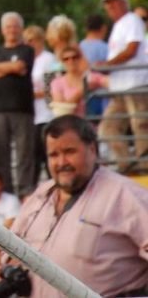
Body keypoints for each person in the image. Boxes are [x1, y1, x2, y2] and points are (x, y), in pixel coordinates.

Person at [8, 115, 148, 297]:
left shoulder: (126, 195)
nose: (61, 162)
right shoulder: (39, 197)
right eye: (54, 155)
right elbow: (10, 252)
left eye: (69, 151)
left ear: (92, 149)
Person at [0, 12, 36, 199]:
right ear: (2, 30)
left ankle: (24, 191)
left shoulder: (27, 50)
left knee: (24, 153)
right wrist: (10, 68)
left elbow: (21, 67)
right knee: (0, 153)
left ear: (21, 29)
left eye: (15, 26)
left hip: (22, 109)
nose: (11, 30)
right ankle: (5, 191)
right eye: (8, 27)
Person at [98, 0, 148, 174]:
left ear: (124, 2)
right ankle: (128, 166)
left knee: (141, 126)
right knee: (107, 129)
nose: (112, 6)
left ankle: (144, 168)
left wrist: (107, 65)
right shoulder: (119, 26)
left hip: (135, 84)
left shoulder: (132, 20)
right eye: (108, 4)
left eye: (115, 1)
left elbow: (132, 48)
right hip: (120, 87)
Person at [24, 24, 57, 184]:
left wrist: (28, 94)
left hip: (46, 114)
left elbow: (51, 89)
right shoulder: (26, 60)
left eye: (32, 40)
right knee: (32, 158)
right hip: (30, 115)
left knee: (46, 154)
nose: (29, 44)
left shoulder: (48, 59)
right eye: (26, 41)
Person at [50, 45, 108, 118]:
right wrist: (82, 91)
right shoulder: (57, 83)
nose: (71, 61)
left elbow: (111, 83)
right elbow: (61, 111)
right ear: (62, 62)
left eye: (74, 57)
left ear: (80, 59)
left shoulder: (92, 77)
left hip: (93, 122)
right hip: (71, 123)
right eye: (66, 59)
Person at [80, 14, 110, 118]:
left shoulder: (78, 48)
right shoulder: (106, 48)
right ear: (103, 28)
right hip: (103, 96)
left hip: (82, 95)